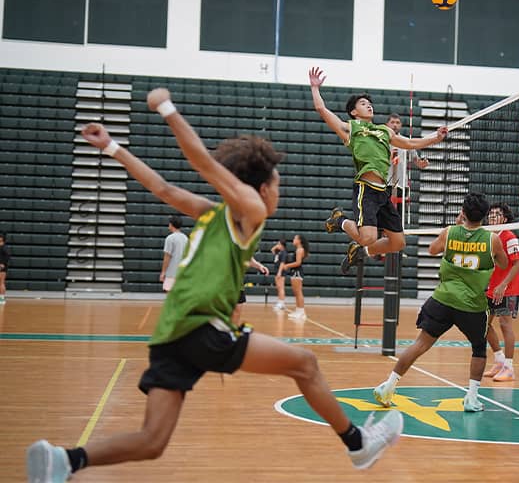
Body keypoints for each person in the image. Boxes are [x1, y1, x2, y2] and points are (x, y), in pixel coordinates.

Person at [25, 88, 403, 482]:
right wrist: (168, 108)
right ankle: (358, 444)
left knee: (152, 440)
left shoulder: (211, 214)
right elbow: (202, 161)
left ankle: (64, 461)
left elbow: (163, 189)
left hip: (171, 332)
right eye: (276, 185)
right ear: (258, 189)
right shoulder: (252, 210)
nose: (278, 192)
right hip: (203, 326)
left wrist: (112, 147)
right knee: (305, 364)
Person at [373, 192, 508, 412]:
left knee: (420, 344)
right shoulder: (492, 240)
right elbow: (503, 264)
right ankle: (471, 398)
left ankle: (389, 386)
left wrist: (455, 228)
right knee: (479, 349)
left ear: (462, 212)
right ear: (484, 216)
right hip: (472, 306)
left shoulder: (449, 233)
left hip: (442, 300)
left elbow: (432, 249)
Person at [309, 67, 447, 274]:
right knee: (369, 237)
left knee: (398, 243)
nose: (369, 106)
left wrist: (435, 138)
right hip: (366, 189)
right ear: (354, 112)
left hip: (384, 192)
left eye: (370, 103)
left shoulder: (384, 130)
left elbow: (409, 143)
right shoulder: (351, 129)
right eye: (363, 104)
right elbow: (322, 110)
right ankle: (340, 220)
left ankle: (360, 251)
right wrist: (314, 88)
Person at [482, 202, 519, 382]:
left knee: (505, 325)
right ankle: (499, 360)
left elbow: (517, 264)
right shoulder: (487, 236)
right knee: (483, 324)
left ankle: (509, 367)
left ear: (504, 218)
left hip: (508, 289)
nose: (492, 216)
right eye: (490, 213)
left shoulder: (510, 236)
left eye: (496, 214)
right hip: (490, 289)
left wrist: (503, 285)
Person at [385, 113, 429, 213]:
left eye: (397, 122)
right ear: (387, 124)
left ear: (400, 125)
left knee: (399, 214)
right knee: (384, 213)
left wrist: (422, 163)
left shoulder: (406, 141)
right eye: (392, 122)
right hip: (385, 182)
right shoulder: (382, 140)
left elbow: (416, 160)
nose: (395, 125)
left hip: (401, 183)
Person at [232, 257, 270, 326]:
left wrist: (259, 266)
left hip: (237, 283)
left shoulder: (240, 247)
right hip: (220, 283)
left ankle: (231, 333)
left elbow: (248, 257)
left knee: (237, 310)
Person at [281, 234, 310, 321]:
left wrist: (287, 265)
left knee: (298, 292)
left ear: (299, 241)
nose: (293, 240)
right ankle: (298, 310)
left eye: (295, 238)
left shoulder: (300, 250)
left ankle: (301, 312)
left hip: (297, 272)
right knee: (296, 292)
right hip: (294, 272)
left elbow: (298, 263)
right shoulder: (298, 250)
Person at [160, 215, 189, 293]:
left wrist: (163, 272)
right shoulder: (185, 238)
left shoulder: (170, 238)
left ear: (171, 224)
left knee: (169, 295)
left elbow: (167, 256)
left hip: (171, 273)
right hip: (182, 272)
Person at [271, 239, 288, 312]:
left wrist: (279, 272)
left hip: (280, 272)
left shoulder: (284, 253)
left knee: (281, 288)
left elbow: (282, 263)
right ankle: (280, 302)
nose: (277, 245)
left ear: (282, 245)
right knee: (278, 287)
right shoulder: (279, 252)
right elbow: (272, 250)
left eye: (279, 244)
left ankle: (281, 303)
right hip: (277, 271)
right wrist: (276, 246)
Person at [0, 233, 9, 305]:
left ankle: (2, 298)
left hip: (2, 268)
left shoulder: (4, 247)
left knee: (1, 282)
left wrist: (2, 264)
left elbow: (7, 256)